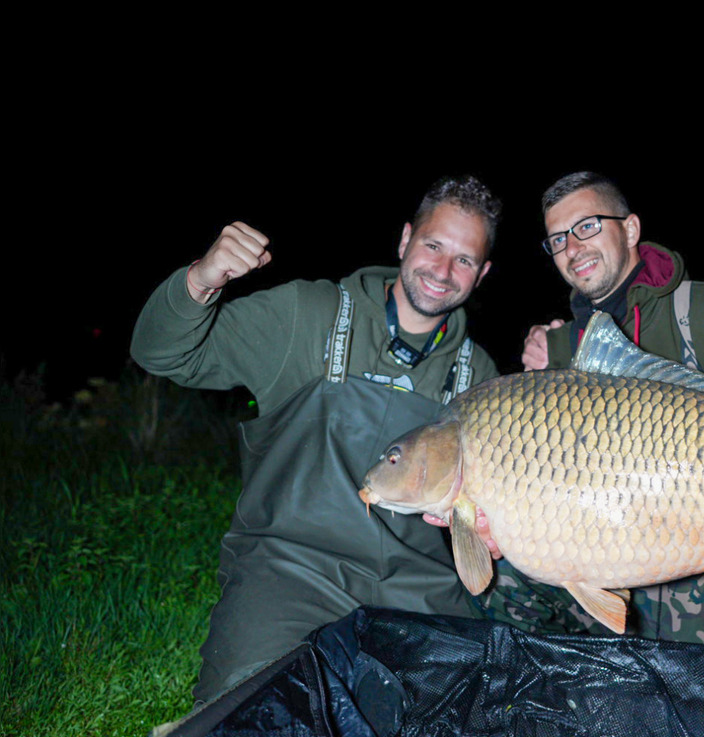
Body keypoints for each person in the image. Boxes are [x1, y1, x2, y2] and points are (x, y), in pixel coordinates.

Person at [131, 175, 502, 704]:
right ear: (404, 241)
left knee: (461, 733)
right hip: (288, 573)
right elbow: (162, 353)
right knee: (251, 722)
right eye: (433, 245)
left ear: (482, 273)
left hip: (416, 588)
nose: (443, 271)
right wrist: (200, 280)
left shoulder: (479, 373)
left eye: (464, 259)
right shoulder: (310, 316)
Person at [477, 171, 704, 646]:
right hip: (607, 543)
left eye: (588, 226)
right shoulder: (557, 351)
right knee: (505, 583)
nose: (573, 248)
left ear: (631, 229)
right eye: (558, 239)